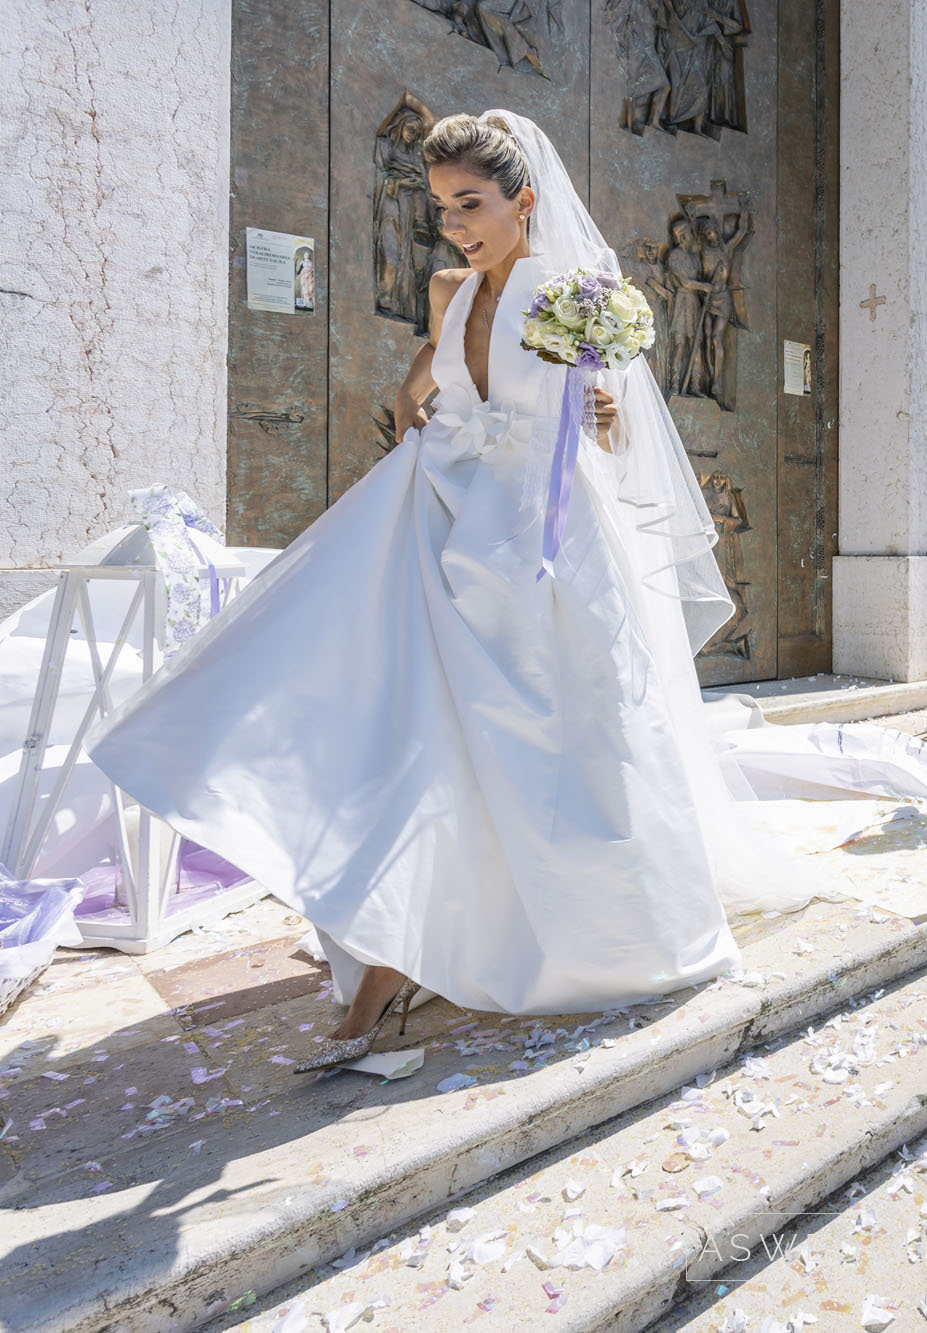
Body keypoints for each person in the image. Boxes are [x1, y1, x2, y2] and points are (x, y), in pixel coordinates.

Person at [89, 112, 759, 1058]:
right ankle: (384, 957)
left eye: (472, 205)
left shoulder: (580, 297)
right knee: (388, 711)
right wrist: (426, 411)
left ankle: (511, 937)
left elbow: (612, 437)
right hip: (438, 512)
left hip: (537, 540)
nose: (455, 226)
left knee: (546, 739)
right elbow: (419, 393)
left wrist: (596, 408)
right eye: (442, 207)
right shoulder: (445, 289)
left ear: (524, 201)